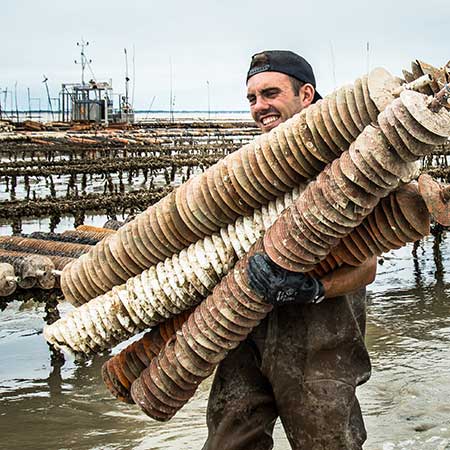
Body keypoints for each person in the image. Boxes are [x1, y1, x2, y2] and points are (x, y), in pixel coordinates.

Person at [202, 50, 377, 450]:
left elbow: (367, 266)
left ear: (306, 94)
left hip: (321, 335)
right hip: (248, 327)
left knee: (328, 444)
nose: (260, 106)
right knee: (228, 442)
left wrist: (311, 289)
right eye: (251, 98)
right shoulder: (253, 168)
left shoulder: (347, 165)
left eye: (270, 93)